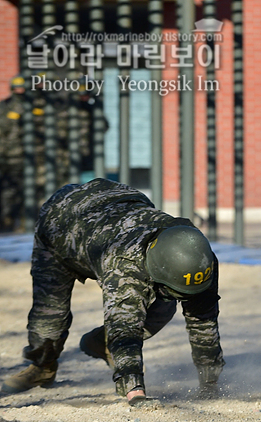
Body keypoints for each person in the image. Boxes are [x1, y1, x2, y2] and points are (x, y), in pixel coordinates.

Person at [1, 179, 224, 404]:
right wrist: (134, 390)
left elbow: (203, 319)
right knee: (49, 318)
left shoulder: (199, 256)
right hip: (61, 223)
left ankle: (99, 342)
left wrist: (210, 383)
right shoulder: (124, 263)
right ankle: (42, 366)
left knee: (163, 307)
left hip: (119, 201)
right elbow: (124, 326)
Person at [0, 75, 26, 231]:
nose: (19, 92)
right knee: (7, 190)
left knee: (21, 189)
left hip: (22, 156)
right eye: (16, 88)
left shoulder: (29, 105)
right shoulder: (4, 106)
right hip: (6, 156)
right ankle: (6, 221)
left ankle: (17, 221)